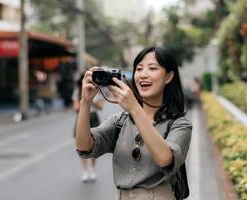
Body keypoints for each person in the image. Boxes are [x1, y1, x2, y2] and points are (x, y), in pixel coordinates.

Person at [75, 47, 192, 200]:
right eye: (139, 69)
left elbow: (165, 159)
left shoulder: (179, 124)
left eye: (152, 68)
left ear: (168, 77)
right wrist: (85, 102)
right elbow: (84, 147)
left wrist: (135, 108)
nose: (143, 74)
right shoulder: (120, 121)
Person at [73, 72, 104, 182]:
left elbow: (101, 107)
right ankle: (85, 171)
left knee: (95, 145)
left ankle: (93, 169)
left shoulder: (97, 90)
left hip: (94, 117)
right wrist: (85, 100)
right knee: (81, 146)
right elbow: (76, 108)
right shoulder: (77, 91)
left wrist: (93, 99)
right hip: (82, 118)